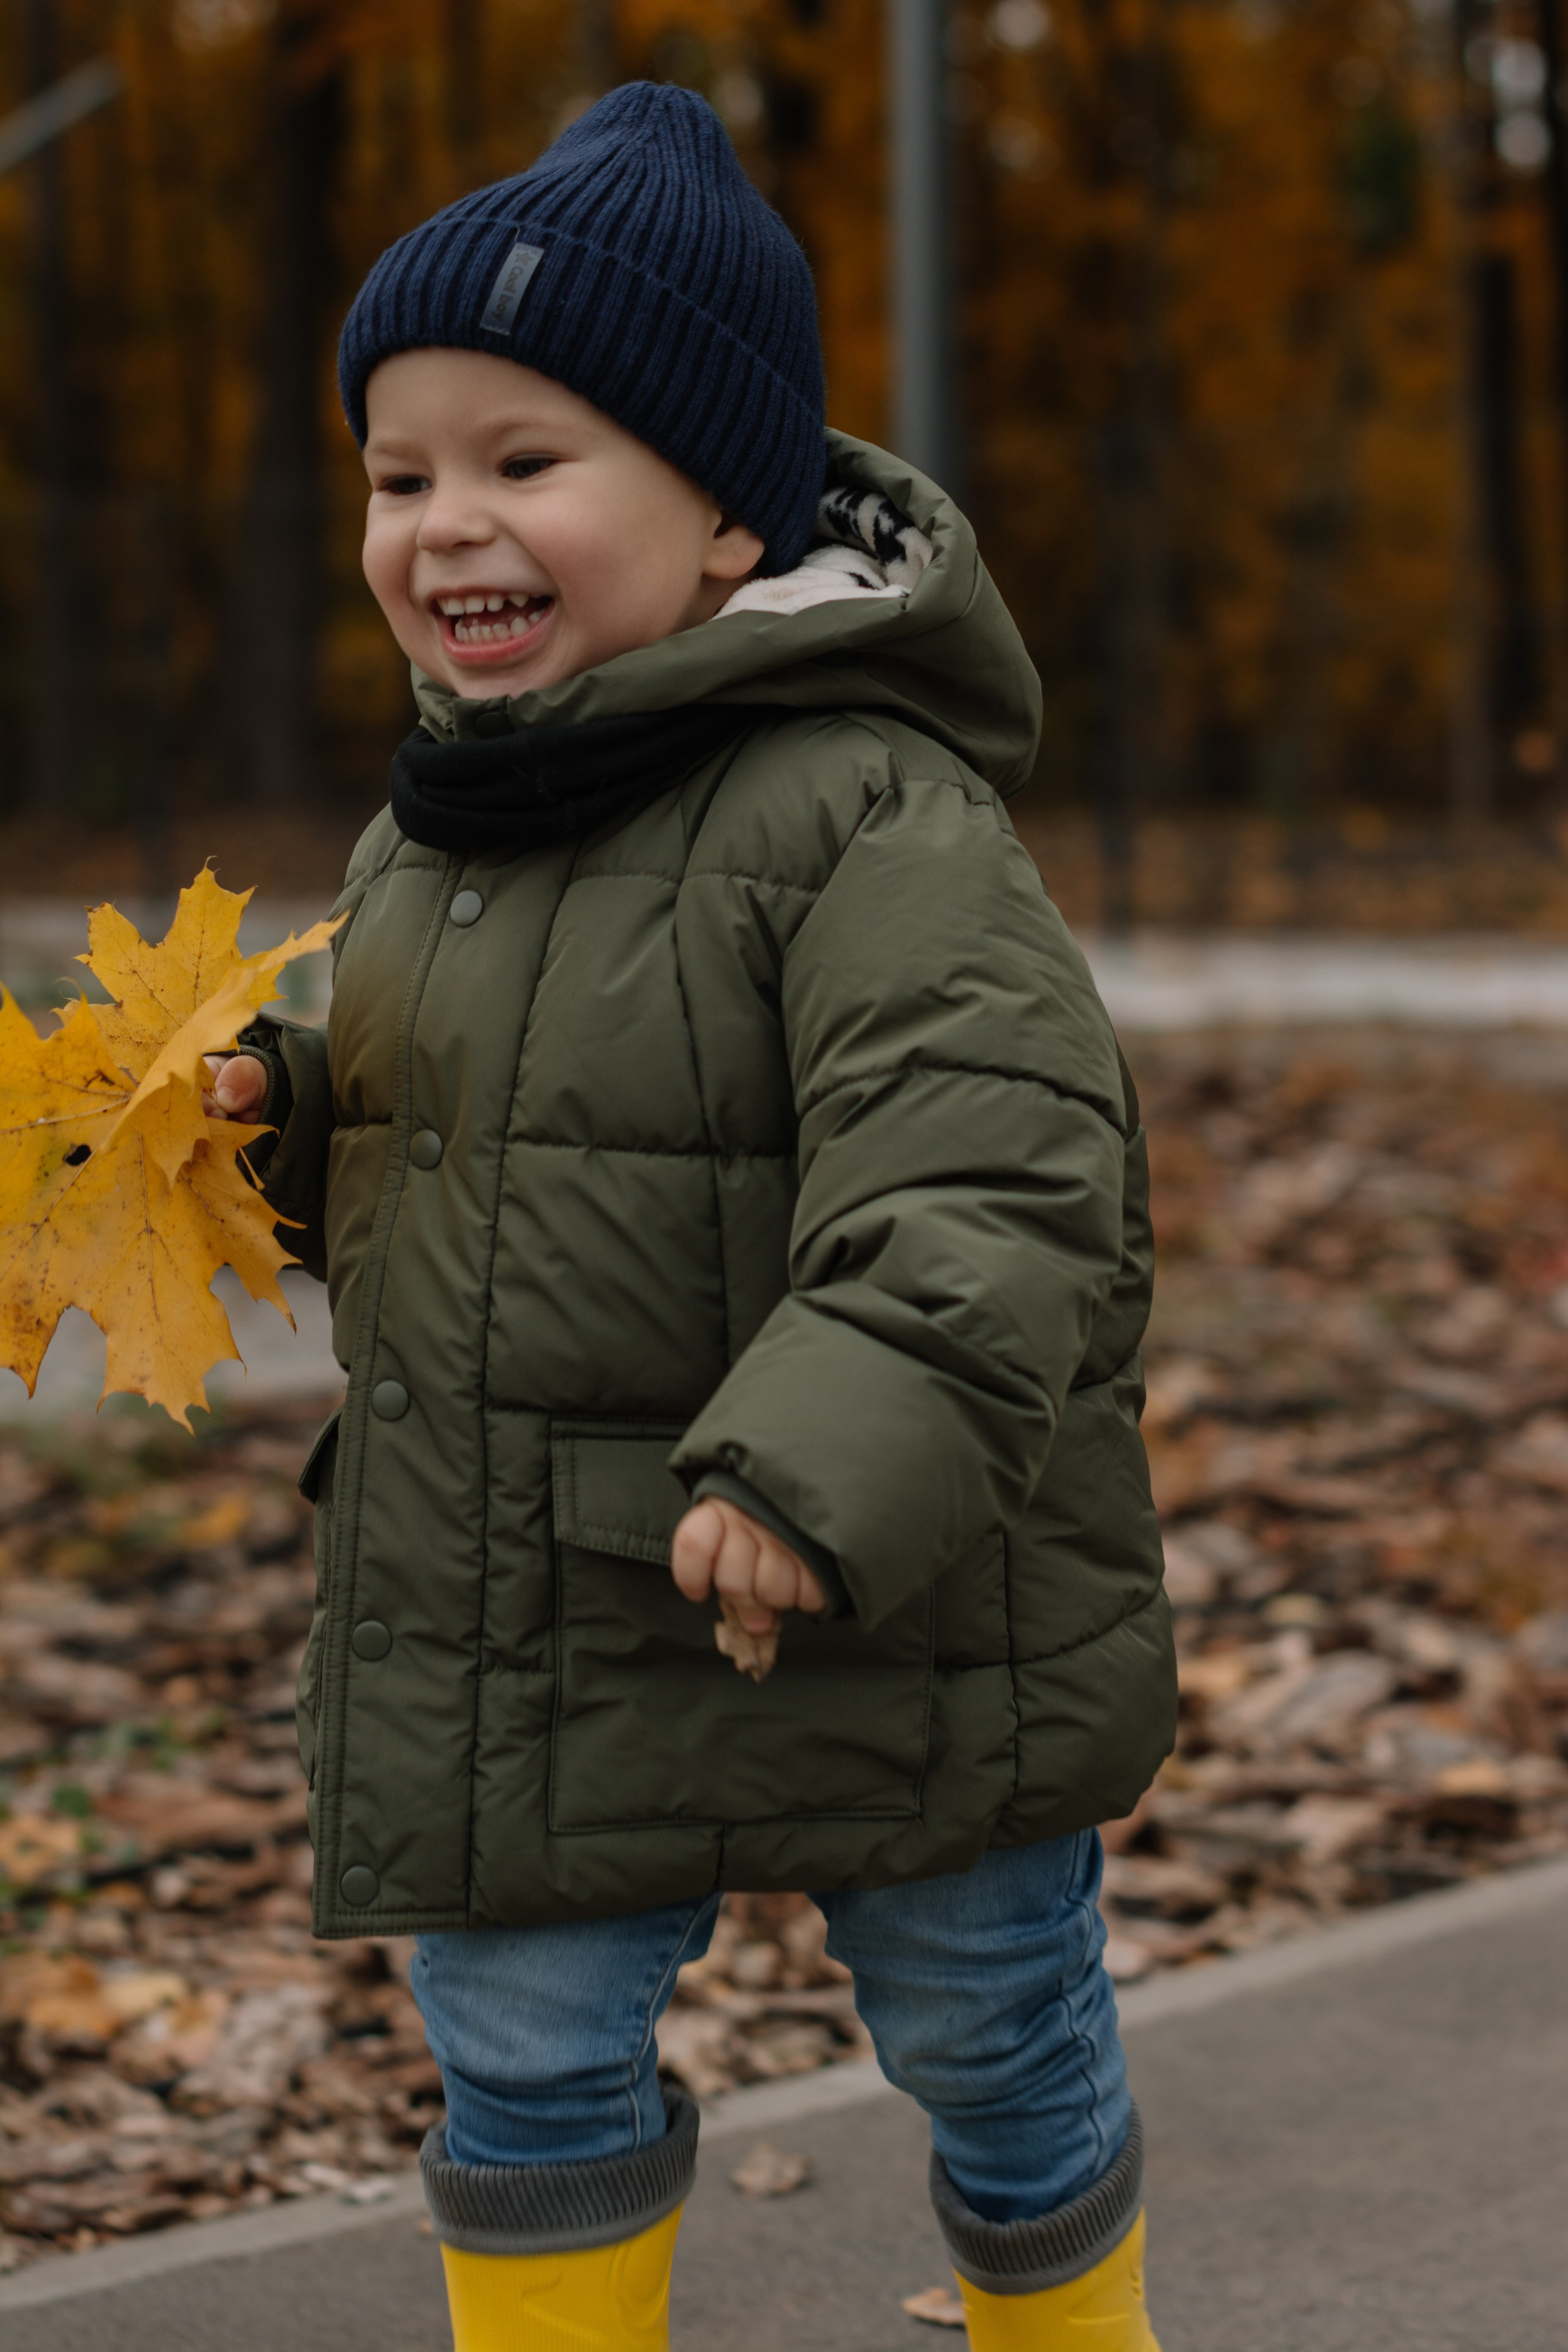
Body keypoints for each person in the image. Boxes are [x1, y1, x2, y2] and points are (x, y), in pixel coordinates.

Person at [206, 81, 1175, 2352]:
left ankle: (1068, 2325)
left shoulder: (870, 807)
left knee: (990, 2030)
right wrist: (281, 1116)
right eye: (399, 473)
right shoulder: (435, 832)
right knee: (523, 2058)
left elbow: (994, 1156)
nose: (448, 524)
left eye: (524, 463)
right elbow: (471, 1154)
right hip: (530, 1591)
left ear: (731, 513)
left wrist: (829, 1462)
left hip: (891, 1568)